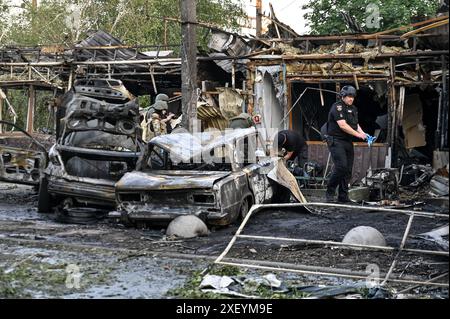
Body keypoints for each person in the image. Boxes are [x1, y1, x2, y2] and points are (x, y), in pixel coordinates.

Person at [324, 85, 368, 203]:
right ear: (343, 96)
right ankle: (330, 191)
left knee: (348, 170)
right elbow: (343, 125)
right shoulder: (337, 107)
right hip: (336, 141)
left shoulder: (353, 109)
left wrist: (364, 134)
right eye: (349, 96)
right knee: (341, 167)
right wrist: (358, 135)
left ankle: (343, 196)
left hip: (348, 141)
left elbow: (355, 124)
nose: (351, 99)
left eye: (353, 96)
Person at [272, 130, 307, 203]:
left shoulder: (291, 140)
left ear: (284, 142)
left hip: (301, 147)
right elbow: (274, 151)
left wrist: (281, 160)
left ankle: (303, 186)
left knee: (302, 166)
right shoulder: (277, 137)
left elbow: (289, 155)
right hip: (290, 148)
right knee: (286, 162)